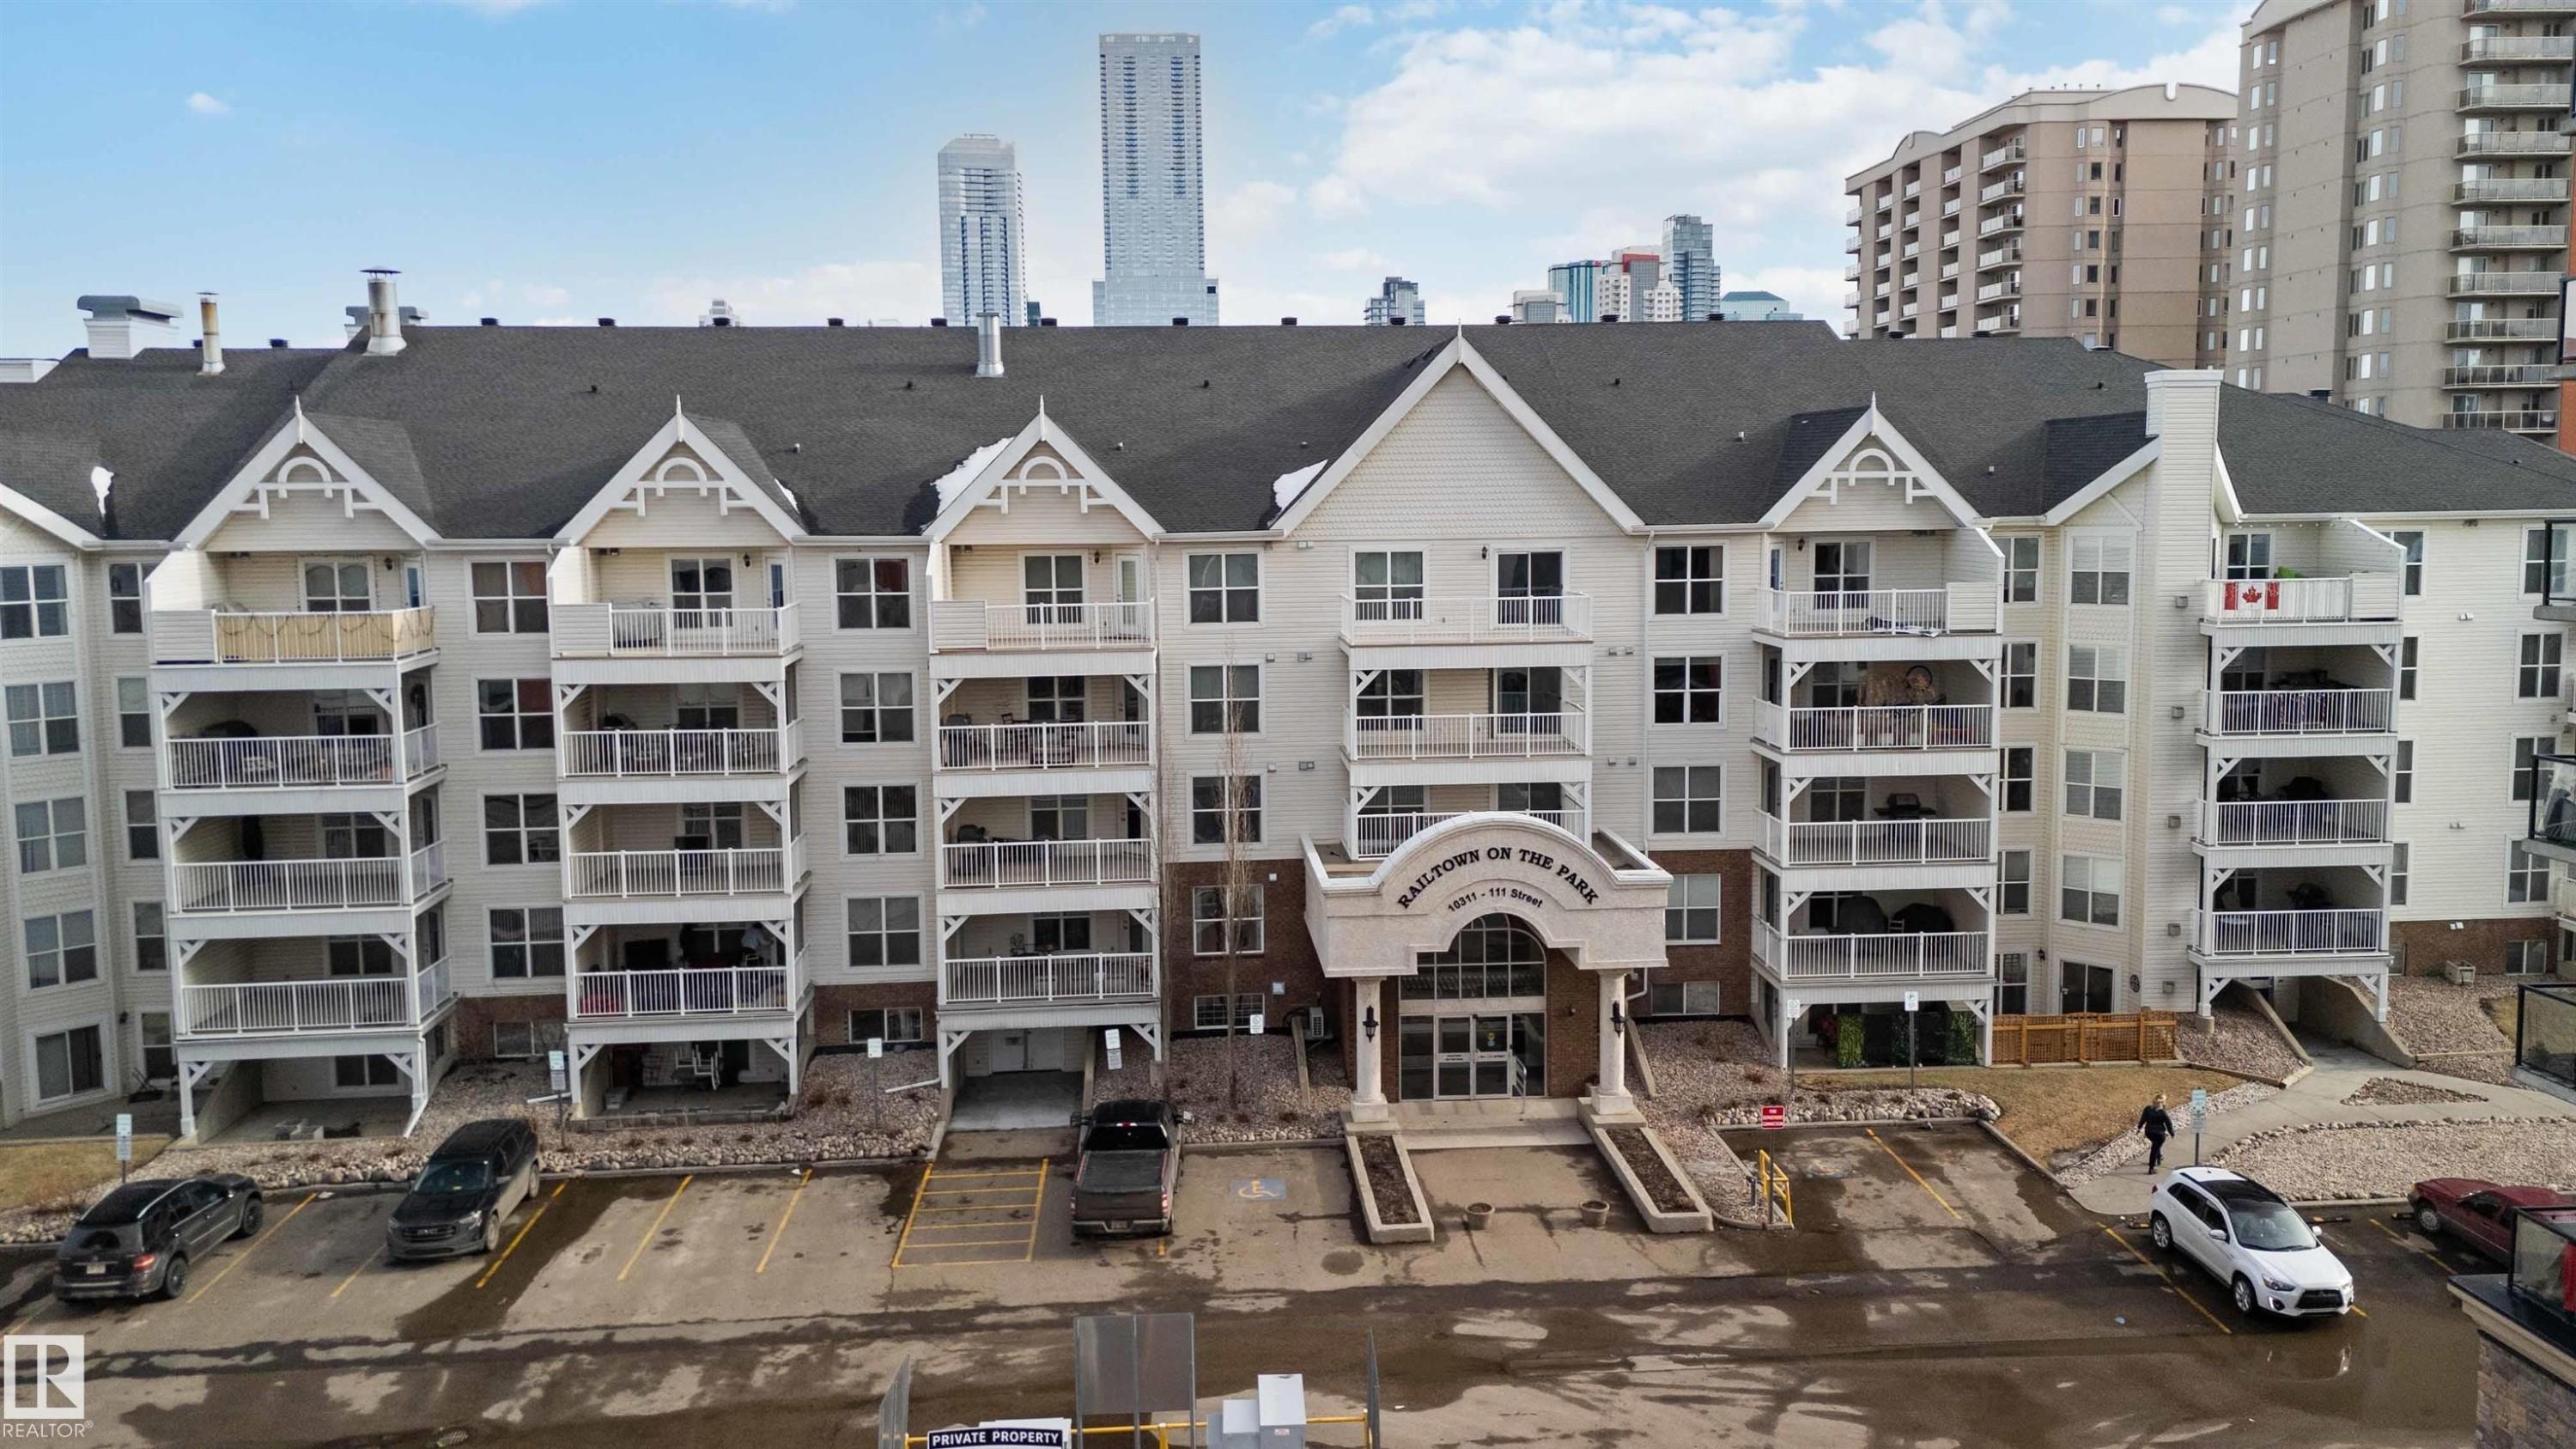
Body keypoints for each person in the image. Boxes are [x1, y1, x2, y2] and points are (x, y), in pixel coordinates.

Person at [2138, 1093, 2176, 1173]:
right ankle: (2151, 1168)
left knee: (2155, 1145)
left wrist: (2139, 1128)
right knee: (2154, 1149)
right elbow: (2169, 1124)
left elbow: (2143, 1119)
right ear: (2163, 1102)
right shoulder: (2163, 1113)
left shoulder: (2148, 1109)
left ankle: (2159, 1157)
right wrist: (2172, 1133)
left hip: (2149, 1132)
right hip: (2159, 1135)